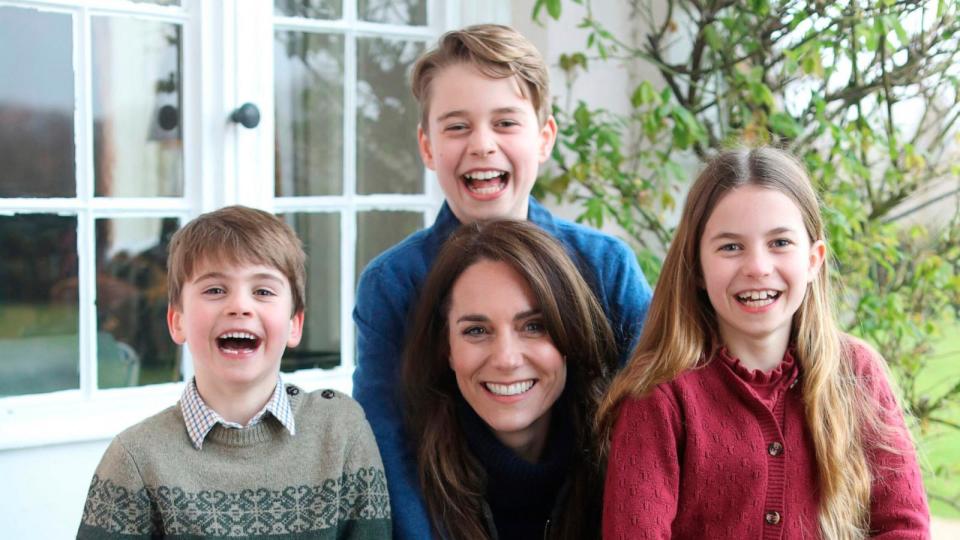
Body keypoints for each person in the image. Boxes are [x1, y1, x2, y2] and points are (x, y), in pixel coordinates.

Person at [351, 24, 652, 538]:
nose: (482, 145)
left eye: (506, 122)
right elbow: (388, 451)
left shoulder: (606, 269)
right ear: (427, 147)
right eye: (457, 127)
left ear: (544, 139)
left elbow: (650, 429)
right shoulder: (393, 284)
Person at [600, 147, 929, 538]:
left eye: (780, 243)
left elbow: (904, 527)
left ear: (813, 259)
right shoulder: (659, 398)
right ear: (698, 268)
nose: (757, 267)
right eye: (730, 247)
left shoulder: (858, 374)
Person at [77, 206, 391, 539]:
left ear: (294, 325)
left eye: (263, 292)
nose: (240, 306)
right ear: (177, 321)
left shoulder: (341, 430)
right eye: (215, 290)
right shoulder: (135, 459)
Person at [402, 219, 619, 539]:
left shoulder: (622, 463)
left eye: (534, 326)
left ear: (570, 336)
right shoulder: (403, 485)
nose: (506, 359)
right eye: (476, 330)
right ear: (446, 348)